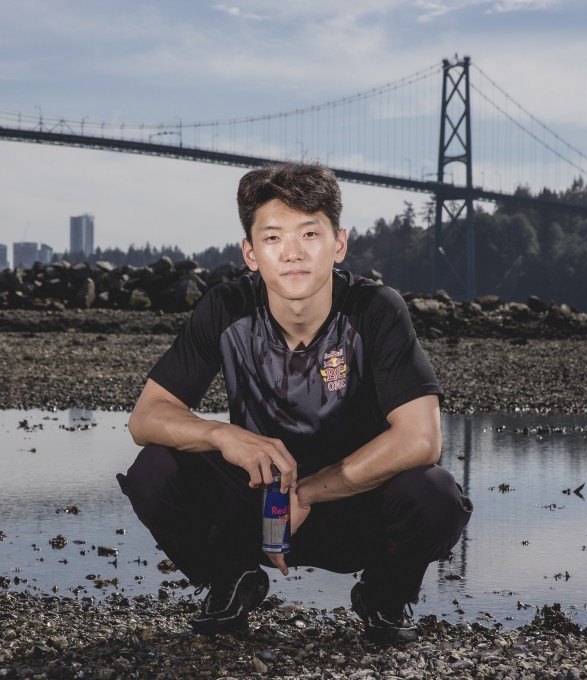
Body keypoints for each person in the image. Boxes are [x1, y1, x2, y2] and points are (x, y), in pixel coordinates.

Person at [117, 161, 472, 646]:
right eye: (273, 238)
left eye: (310, 233)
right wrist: (221, 433)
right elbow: (146, 418)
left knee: (436, 496)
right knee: (153, 470)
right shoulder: (227, 308)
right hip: (257, 503)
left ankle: (386, 595)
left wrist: (305, 493)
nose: (293, 253)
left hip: (352, 505)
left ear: (339, 244)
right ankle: (231, 579)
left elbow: (421, 439)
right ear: (250, 252)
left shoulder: (375, 309)